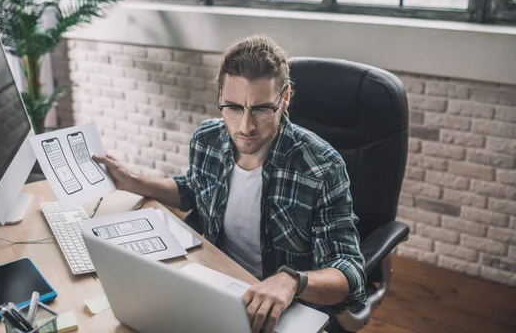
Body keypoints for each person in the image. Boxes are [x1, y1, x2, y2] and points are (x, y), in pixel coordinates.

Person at [94, 35, 366, 333]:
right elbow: (194, 189)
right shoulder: (207, 140)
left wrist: (292, 281)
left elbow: (350, 274)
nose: (245, 127)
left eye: (262, 109)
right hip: (215, 282)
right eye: (233, 107)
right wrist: (132, 181)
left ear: (285, 98)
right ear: (220, 95)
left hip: (281, 309)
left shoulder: (322, 167)